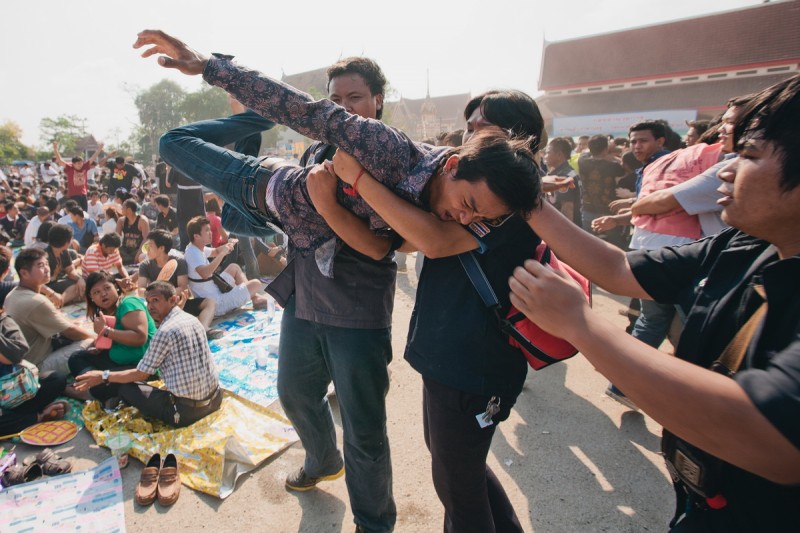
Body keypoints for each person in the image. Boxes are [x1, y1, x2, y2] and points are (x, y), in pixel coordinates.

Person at [509, 75, 800, 532]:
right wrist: (527, 201)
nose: (725, 169)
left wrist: (580, 324)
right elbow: (622, 270)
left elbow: (770, 437)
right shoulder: (748, 244)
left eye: (749, 155)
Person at [324, 88, 550, 532]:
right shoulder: (474, 184)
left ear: (518, 139)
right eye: (469, 128)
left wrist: (361, 182)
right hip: (449, 356)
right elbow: (408, 239)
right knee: (463, 473)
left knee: (458, 491)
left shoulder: (511, 200)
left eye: (483, 128)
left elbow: (433, 241)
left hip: (474, 363)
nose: (470, 139)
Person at [134, 31, 540, 273]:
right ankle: (257, 120)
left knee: (230, 218)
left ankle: (255, 127)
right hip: (264, 185)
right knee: (171, 143)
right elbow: (306, 111)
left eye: (477, 215)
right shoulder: (386, 146)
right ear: (453, 165)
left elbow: (394, 246)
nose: (465, 219)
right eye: (468, 204)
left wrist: (354, 186)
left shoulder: (465, 209)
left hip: (283, 221)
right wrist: (210, 67)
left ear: (379, 100)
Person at [75, 281, 222, 428]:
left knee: (125, 387)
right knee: (84, 362)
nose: (150, 307)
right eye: (148, 302)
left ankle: (98, 392)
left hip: (185, 413)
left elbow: (141, 374)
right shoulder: (192, 319)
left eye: (156, 301)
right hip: (215, 400)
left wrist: (102, 376)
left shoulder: (163, 331)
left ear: (173, 300)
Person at [68, 271, 156, 405]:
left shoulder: (128, 303)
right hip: (120, 362)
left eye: (107, 288)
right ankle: (98, 388)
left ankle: (92, 391)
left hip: (142, 369)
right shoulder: (105, 312)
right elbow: (115, 337)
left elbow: (139, 338)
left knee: (103, 385)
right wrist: (98, 346)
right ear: (91, 298)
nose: (103, 294)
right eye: (96, 292)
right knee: (76, 357)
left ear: (116, 287)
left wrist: (106, 331)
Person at [4, 248, 95, 375]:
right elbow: (70, 332)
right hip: (36, 366)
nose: (47, 269)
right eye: (41, 266)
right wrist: (96, 338)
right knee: (91, 342)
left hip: (21, 362)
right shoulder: (36, 301)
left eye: (46, 264)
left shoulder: (13, 294)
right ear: (24, 273)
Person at [137, 229, 220, 339]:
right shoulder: (145, 265)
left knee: (209, 302)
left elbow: (182, 287)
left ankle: (203, 328)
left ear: (161, 248)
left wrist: (165, 295)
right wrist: (155, 297)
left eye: (150, 246)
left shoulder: (179, 262)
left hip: (178, 303)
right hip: (156, 307)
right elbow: (140, 290)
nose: (147, 249)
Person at [184, 216, 270, 316]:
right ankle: (255, 298)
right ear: (196, 236)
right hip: (217, 303)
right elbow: (205, 274)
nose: (211, 232)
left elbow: (215, 251)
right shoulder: (192, 253)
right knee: (256, 284)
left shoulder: (195, 247)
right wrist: (222, 254)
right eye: (207, 230)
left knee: (234, 267)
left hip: (215, 289)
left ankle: (255, 299)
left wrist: (228, 245)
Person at [0, 311, 69, 437]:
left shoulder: (4, 321)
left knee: (56, 379)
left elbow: (17, 354)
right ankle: (38, 416)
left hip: (14, 390)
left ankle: (17, 418)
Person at [52, 141, 104, 211]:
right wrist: (55, 149)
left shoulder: (85, 167)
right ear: (73, 164)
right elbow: (60, 160)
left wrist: (99, 149)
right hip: (74, 195)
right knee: (77, 212)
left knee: (84, 212)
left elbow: (93, 158)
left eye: (81, 163)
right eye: (78, 164)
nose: (80, 165)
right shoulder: (69, 168)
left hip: (84, 194)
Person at [543, 137, 582, 226]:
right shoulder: (566, 171)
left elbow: (567, 208)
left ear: (559, 155)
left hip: (563, 230)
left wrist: (566, 233)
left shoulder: (563, 176)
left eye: (548, 152)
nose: (545, 156)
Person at [44, 223, 85, 305]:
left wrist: (80, 279)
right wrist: (52, 293)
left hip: (57, 284)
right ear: (67, 242)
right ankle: (58, 302)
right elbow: (36, 283)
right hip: (44, 288)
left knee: (81, 282)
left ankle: (59, 302)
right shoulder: (44, 256)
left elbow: (70, 271)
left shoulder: (64, 252)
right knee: (75, 286)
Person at [116, 199, 149, 266]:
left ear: (129, 210)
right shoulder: (121, 221)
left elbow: (146, 239)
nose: (121, 209)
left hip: (138, 250)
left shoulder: (142, 221)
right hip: (125, 250)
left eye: (123, 207)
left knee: (143, 257)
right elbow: (116, 238)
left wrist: (138, 254)